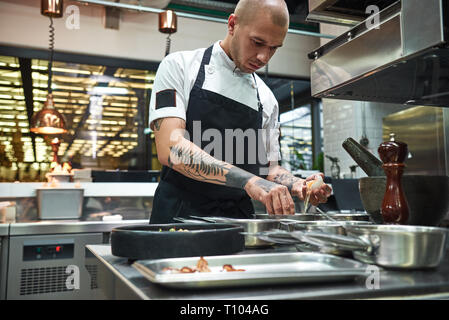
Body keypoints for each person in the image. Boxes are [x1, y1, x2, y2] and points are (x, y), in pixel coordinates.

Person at [148, 0, 332, 224]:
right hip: (180, 219)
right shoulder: (180, 66)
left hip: (239, 223)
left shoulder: (266, 99)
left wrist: (299, 184)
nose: (264, 57)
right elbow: (171, 148)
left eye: (274, 48)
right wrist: (249, 181)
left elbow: (268, 167)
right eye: (257, 42)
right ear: (233, 25)